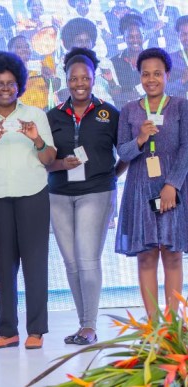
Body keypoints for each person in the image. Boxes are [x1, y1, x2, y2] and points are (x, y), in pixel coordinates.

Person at [0, 51, 56, 350]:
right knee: (4, 266)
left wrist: (36, 139)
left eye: (10, 83)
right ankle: (8, 331)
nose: (5, 88)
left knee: (35, 265)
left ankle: (37, 331)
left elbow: (48, 158)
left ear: (19, 85)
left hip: (33, 196)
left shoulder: (35, 115)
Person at [46, 47, 125, 346]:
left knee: (88, 259)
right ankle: (83, 325)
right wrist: (60, 164)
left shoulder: (109, 112)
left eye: (86, 78)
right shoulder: (52, 116)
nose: (80, 83)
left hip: (97, 191)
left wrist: (110, 177)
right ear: (65, 79)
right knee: (71, 264)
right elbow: (44, 160)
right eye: (73, 78)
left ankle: (90, 326)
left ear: (94, 79)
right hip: (59, 194)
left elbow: (126, 152)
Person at [116, 47, 188, 319]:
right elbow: (123, 153)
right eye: (146, 74)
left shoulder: (182, 106)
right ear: (139, 77)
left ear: (167, 75)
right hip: (140, 187)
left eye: (157, 73)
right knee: (146, 256)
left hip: (173, 188)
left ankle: (172, 325)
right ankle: (153, 326)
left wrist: (173, 185)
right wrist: (140, 140)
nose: (151, 79)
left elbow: (186, 148)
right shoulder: (129, 110)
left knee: (172, 254)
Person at [8, 35, 59, 110]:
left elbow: (56, 87)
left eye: (27, 46)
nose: (24, 49)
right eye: (19, 47)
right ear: (10, 51)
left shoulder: (42, 65)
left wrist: (49, 77)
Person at [110, 14, 146, 109]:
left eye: (138, 36)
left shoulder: (154, 59)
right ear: (123, 38)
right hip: (126, 113)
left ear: (143, 36)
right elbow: (114, 95)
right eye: (130, 37)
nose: (135, 40)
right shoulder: (114, 62)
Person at [168, 16, 188, 99]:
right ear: (178, 36)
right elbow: (164, 89)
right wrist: (182, 80)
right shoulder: (170, 60)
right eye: (184, 34)